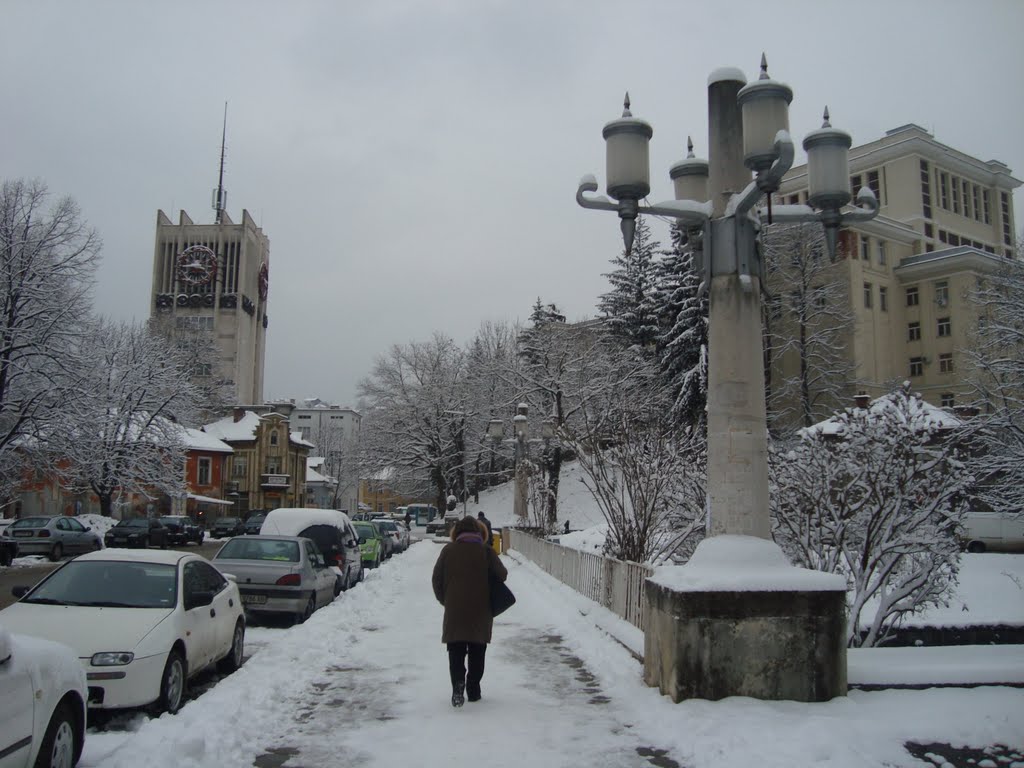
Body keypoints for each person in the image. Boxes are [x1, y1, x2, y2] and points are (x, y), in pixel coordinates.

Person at [432, 515, 508, 707]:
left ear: (455, 533)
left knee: (455, 649)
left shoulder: (448, 550)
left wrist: (446, 600)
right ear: (480, 533)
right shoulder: (486, 551)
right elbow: (503, 574)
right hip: (481, 610)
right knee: (477, 649)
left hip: (454, 609)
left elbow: (436, 579)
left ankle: (458, 686)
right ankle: (473, 689)